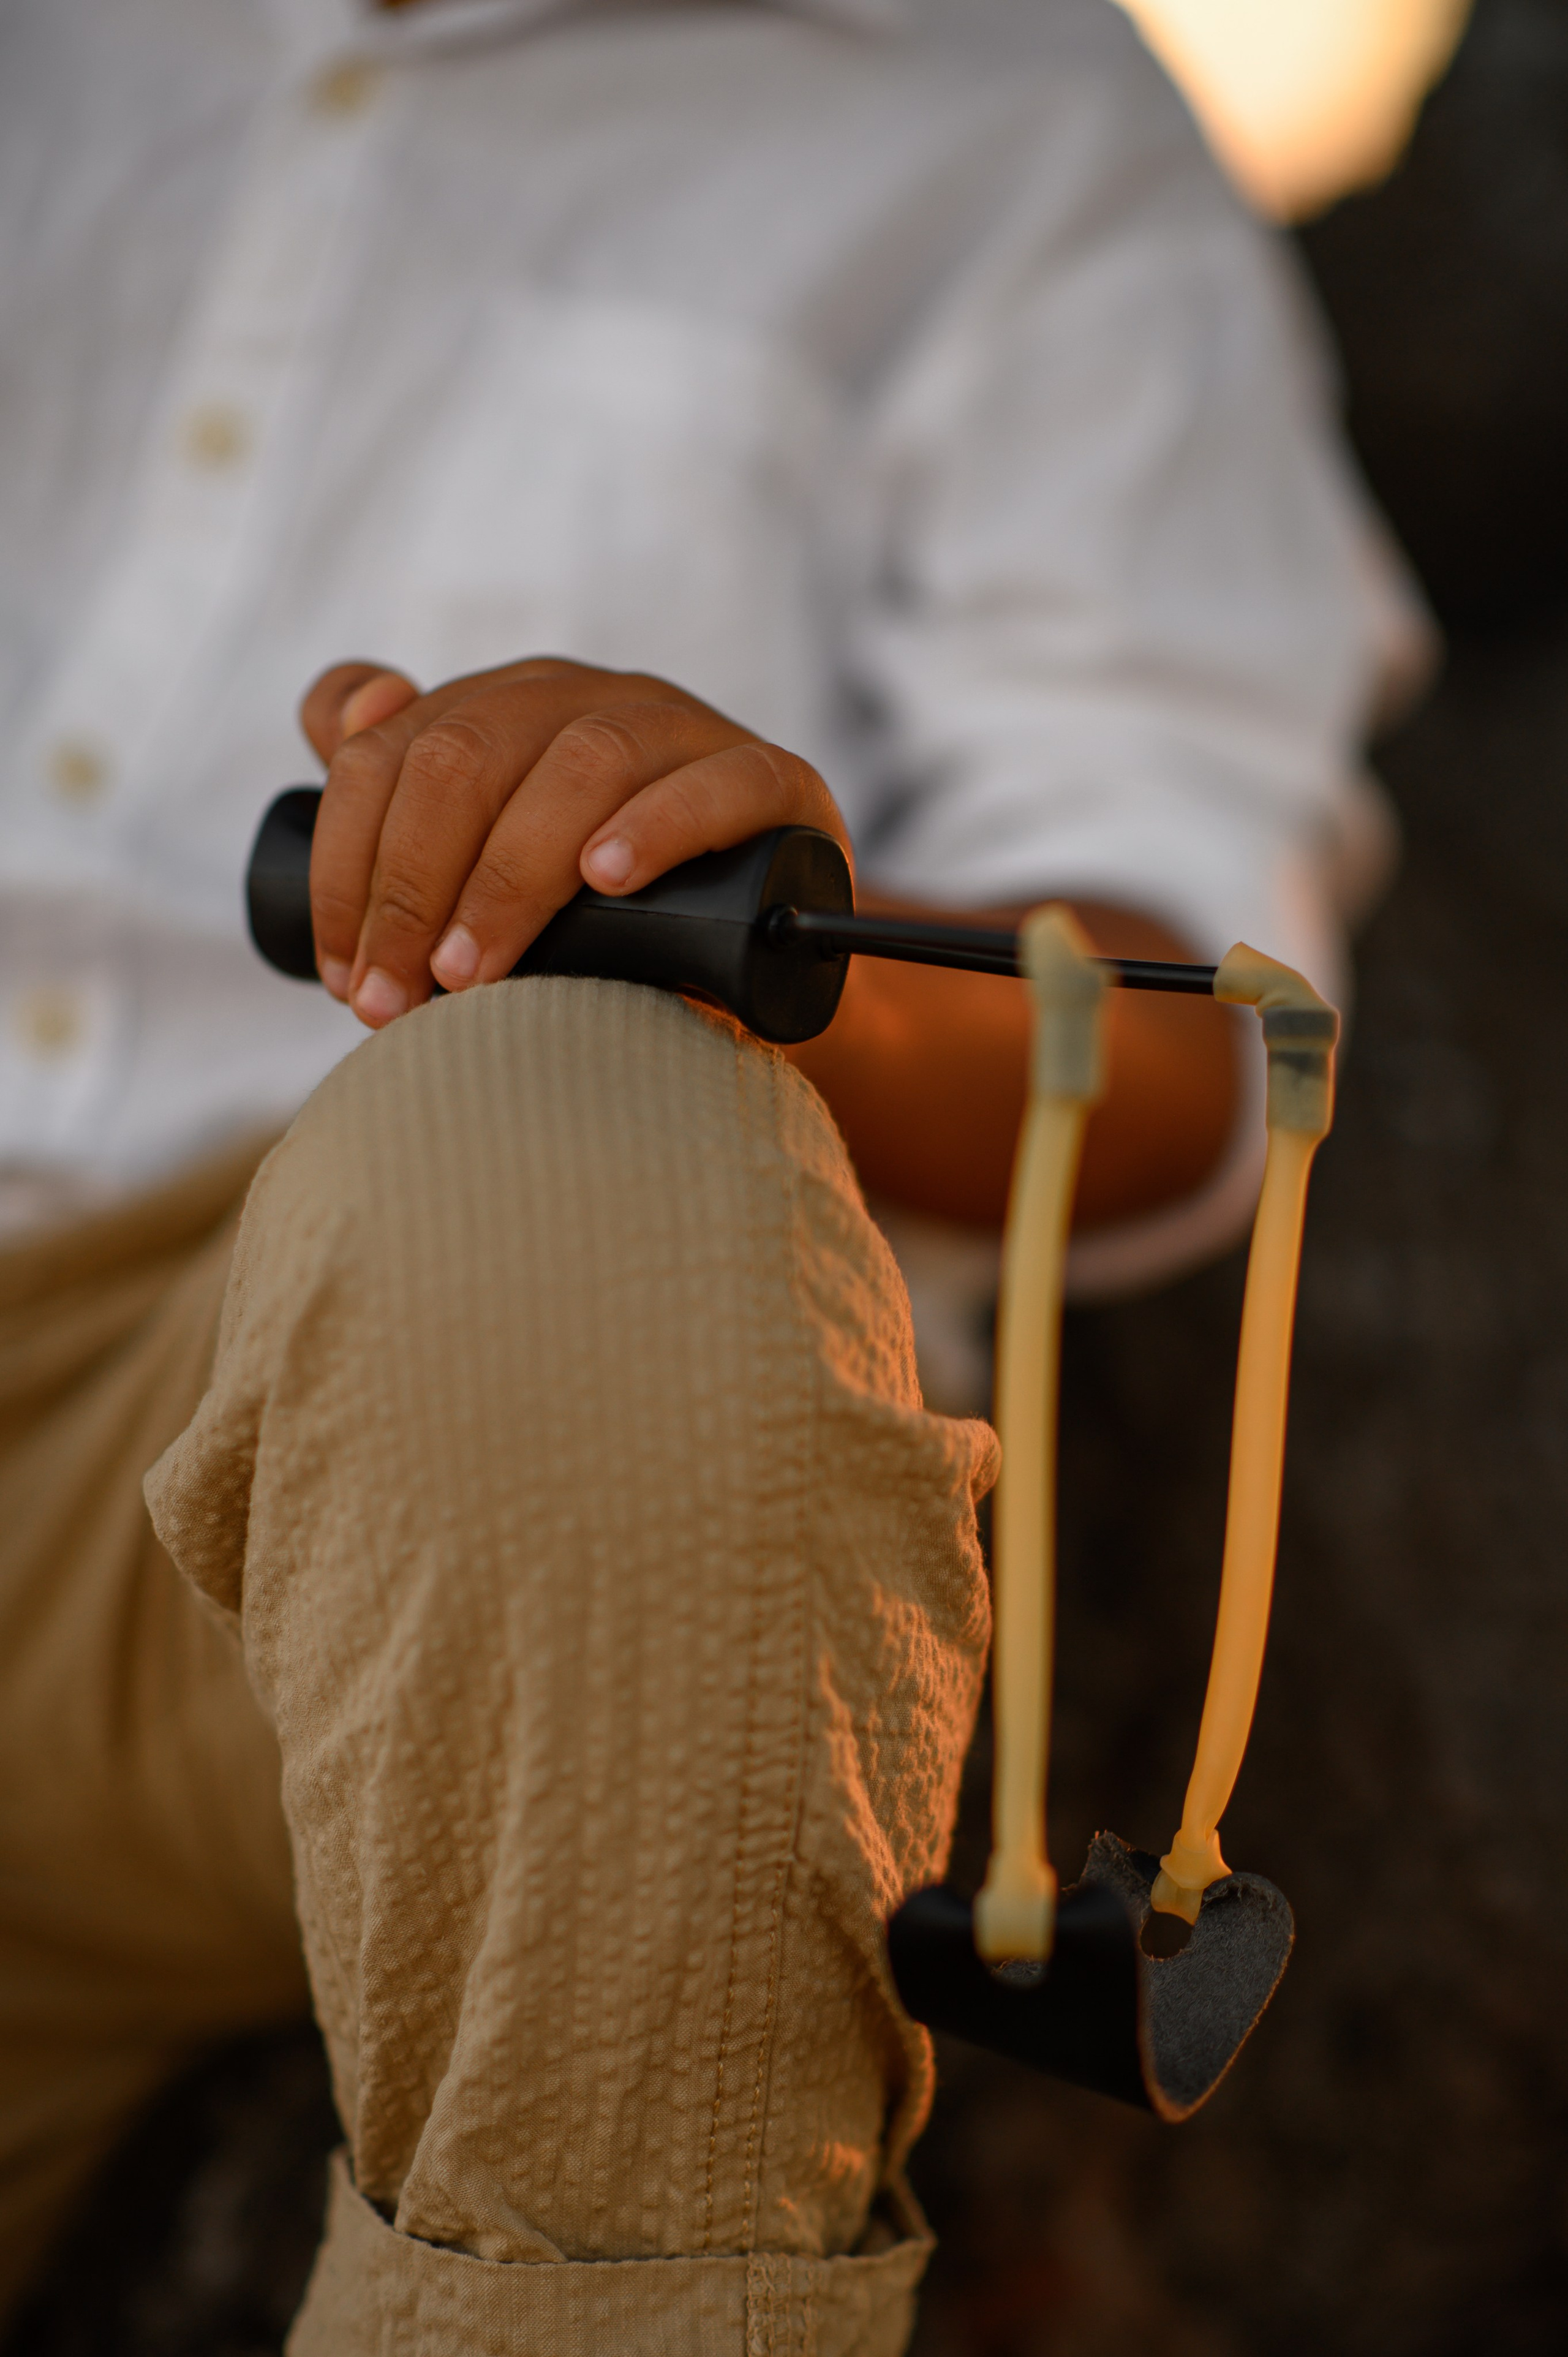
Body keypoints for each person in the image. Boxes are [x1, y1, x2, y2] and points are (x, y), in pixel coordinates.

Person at [0, 0, 1425, 2346]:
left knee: (574, 1122)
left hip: (331, 1452)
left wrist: (749, 944)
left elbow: (1194, 1029)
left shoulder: (1017, 124)